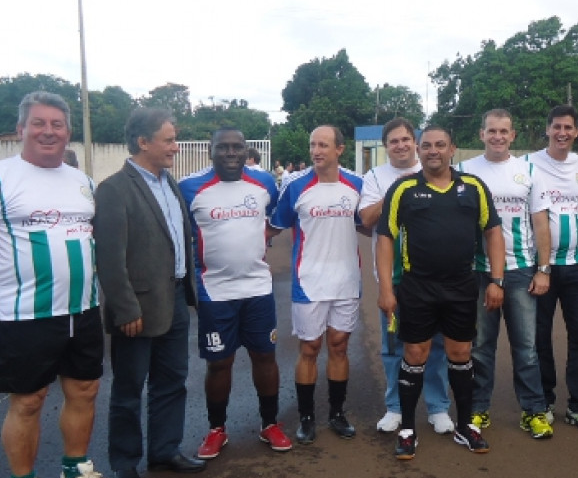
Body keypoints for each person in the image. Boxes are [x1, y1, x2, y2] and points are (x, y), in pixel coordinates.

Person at [0, 92, 123, 478]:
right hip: (24, 314)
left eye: (57, 124)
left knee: (85, 391)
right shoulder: (4, 177)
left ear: (68, 132)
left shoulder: (81, 181)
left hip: (84, 308)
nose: (48, 131)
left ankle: (75, 475)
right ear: (21, 129)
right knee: (29, 401)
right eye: (39, 123)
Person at [376, 126, 505, 459]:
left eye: (440, 145)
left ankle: (464, 426)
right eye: (427, 146)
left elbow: (493, 233)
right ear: (419, 150)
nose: (433, 151)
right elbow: (386, 238)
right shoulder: (403, 188)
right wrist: (386, 290)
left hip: (462, 285)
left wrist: (496, 280)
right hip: (417, 286)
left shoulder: (474, 187)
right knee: (415, 353)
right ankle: (407, 429)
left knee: (460, 353)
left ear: (453, 149)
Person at [95, 108, 205, 478]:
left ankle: (164, 451)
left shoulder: (168, 183)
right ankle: (124, 462)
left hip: (174, 298)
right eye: (169, 139)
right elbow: (109, 258)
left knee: (173, 381)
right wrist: (125, 308)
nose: (175, 147)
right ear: (143, 142)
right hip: (137, 309)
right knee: (128, 388)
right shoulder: (113, 189)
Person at [178, 129, 290, 460]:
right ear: (211, 151)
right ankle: (216, 429)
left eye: (237, 147)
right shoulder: (189, 187)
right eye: (223, 148)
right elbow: (179, 233)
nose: (230, 153)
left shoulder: (265, 182)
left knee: (265, 357)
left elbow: (278, 218)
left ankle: (269, 424)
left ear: (246, 151)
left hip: (257, 287)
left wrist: (262, 239)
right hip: (215, 291)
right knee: (219, 362)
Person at [456, 109, 553, 439]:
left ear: (513, 136)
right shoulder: (464, 171)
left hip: (521, 270)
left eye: (504, 131)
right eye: (491, 131)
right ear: (481, 134)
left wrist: (543, 269)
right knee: (480, 347)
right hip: (479, 271)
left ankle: (533, 412)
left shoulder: (528, 171)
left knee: (526, 348)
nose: (497, 136)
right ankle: (478, 410)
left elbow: (541, 223)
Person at [358, 117, 455, 435]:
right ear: (386, 147)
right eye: (393, 142)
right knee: (393, 346)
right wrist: (398, 192)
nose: (400, 145)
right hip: (394, 277)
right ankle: (395, 407)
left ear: (415, 142)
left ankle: (438, 407)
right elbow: (367, 220)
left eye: (405, 139)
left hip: (434, 276)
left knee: (437, 345)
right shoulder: (375, 176)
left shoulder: (438, 170)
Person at [268, 126, 362, 445]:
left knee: (339, 346)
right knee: (309, 348)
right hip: (309, 282)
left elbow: (371, 226)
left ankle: (337, 413)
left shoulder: (357, 185)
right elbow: (274, 227)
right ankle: (307, 417)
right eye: (312, 145)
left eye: (323, 145)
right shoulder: (295, 186)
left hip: (347, 281)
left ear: (340, 149)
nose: (316, 150)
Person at [524, 105, 578, 433]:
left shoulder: (576, 163)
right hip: (542, 267)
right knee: (540, 337)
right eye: (556, 127)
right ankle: (544, 400)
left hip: (577, 264)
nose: (562, 133)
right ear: (547, 129)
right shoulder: (528, 163)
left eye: (568, 127)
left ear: (576, 132)